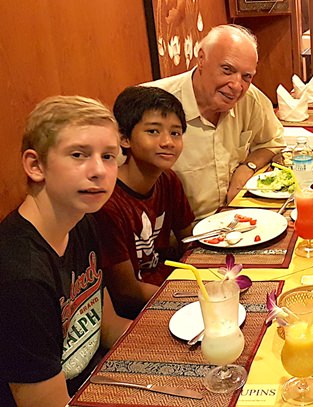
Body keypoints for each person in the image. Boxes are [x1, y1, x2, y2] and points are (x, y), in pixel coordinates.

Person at [0, 96, 131, 406]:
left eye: (108, 156)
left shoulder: (81, 221)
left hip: (98, 377)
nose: (99, 170)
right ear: (35, 165)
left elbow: (106, 325)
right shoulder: (20, 276)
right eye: (78, 154)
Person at [146, 24, 285, 220]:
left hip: (236, 218)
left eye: (246, 77)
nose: (236, 86)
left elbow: (272, 141)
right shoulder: (151, 105)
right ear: (201, 59)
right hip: (178, 233)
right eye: (227, 70)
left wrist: (248, 166)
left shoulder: (250, 99)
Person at [94, 86, 195, 319]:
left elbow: (188, 241)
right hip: (140, 310)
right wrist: (191, 297)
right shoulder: (107, 203)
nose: (167, 142)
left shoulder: (168, 179)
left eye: (176, 133)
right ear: (124, 138)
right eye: (153, 131)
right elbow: (126, 292)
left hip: (171, 285)